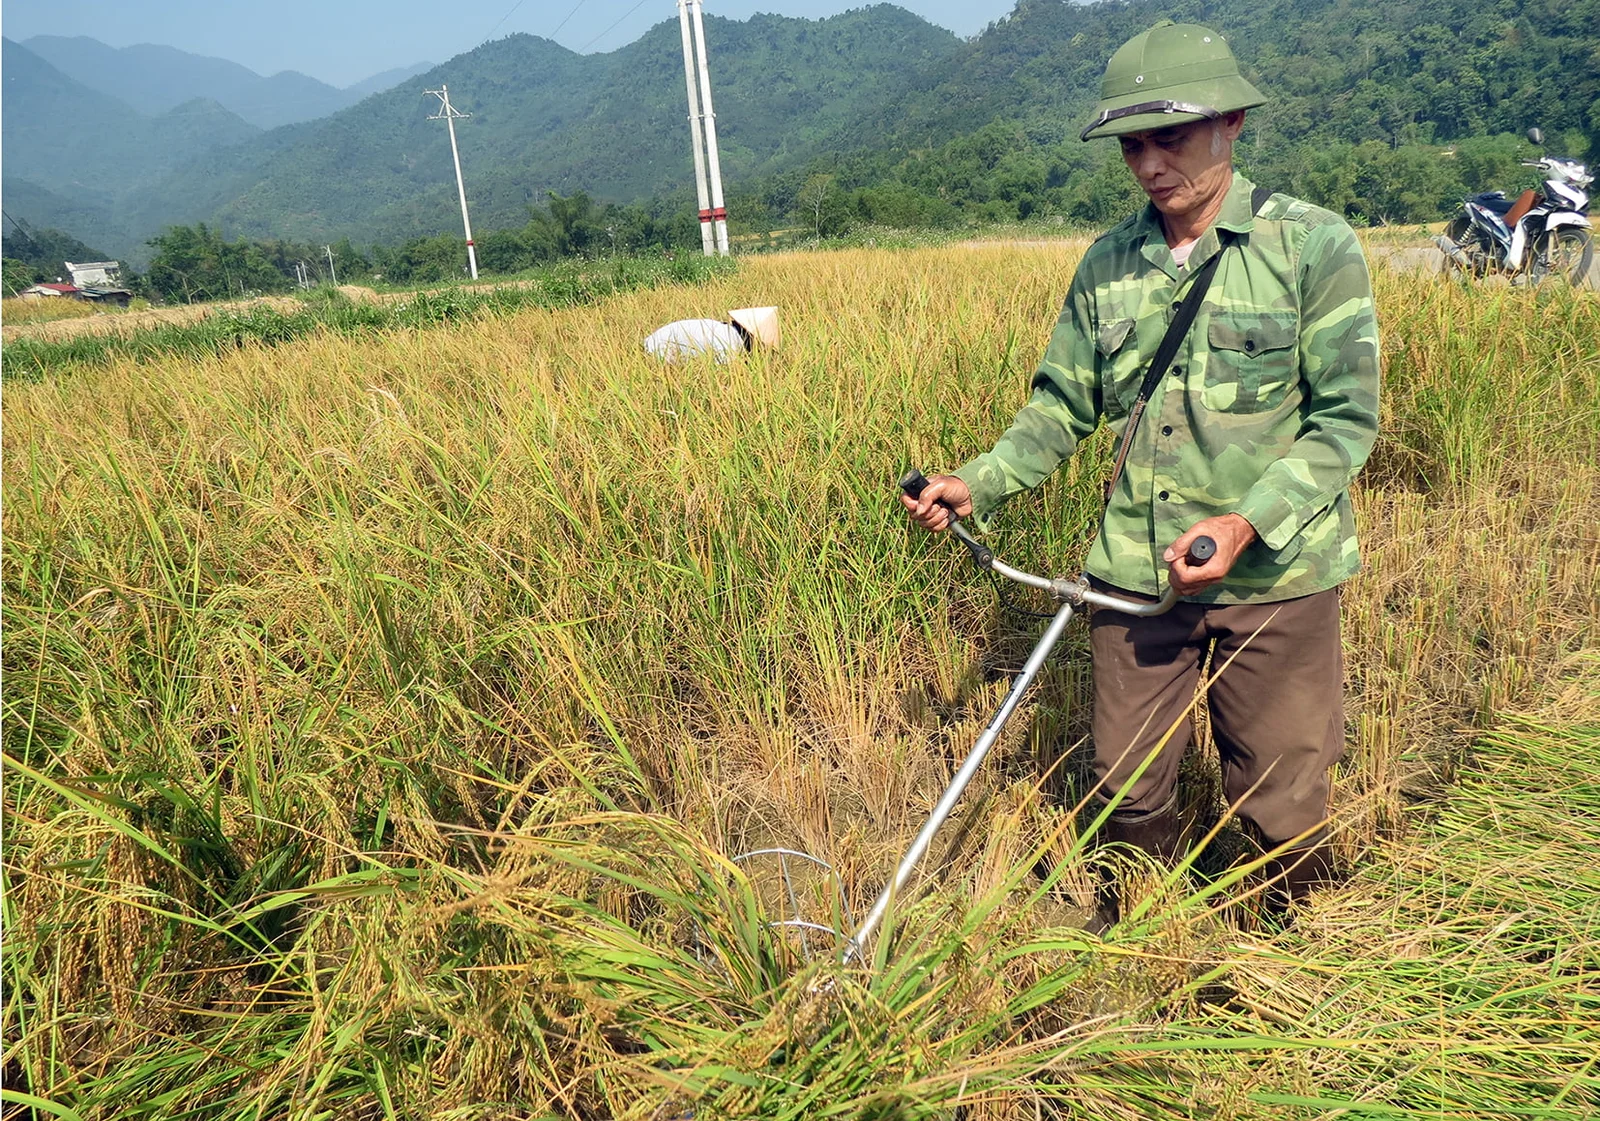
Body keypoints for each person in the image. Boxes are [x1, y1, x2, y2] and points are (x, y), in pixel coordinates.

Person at [901, 21, 1380, 915]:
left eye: (1173, 137)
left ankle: (1298, 935)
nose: (1152, 164)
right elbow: (1060, 405)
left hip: (1276, 569)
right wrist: (981, 478)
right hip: (1134, 568)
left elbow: (1346, 422)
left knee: (1280, 785)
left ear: (1232, 123)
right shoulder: (1108, 265)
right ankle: (1155, 922)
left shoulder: (1312, 247)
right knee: (1124, 778)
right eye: (1133, 145)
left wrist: (1244, 523)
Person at [643, 305, 780, 362]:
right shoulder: (730, 343)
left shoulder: (724, 329)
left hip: (657, 339)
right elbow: (721, 376)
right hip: (659, 347)